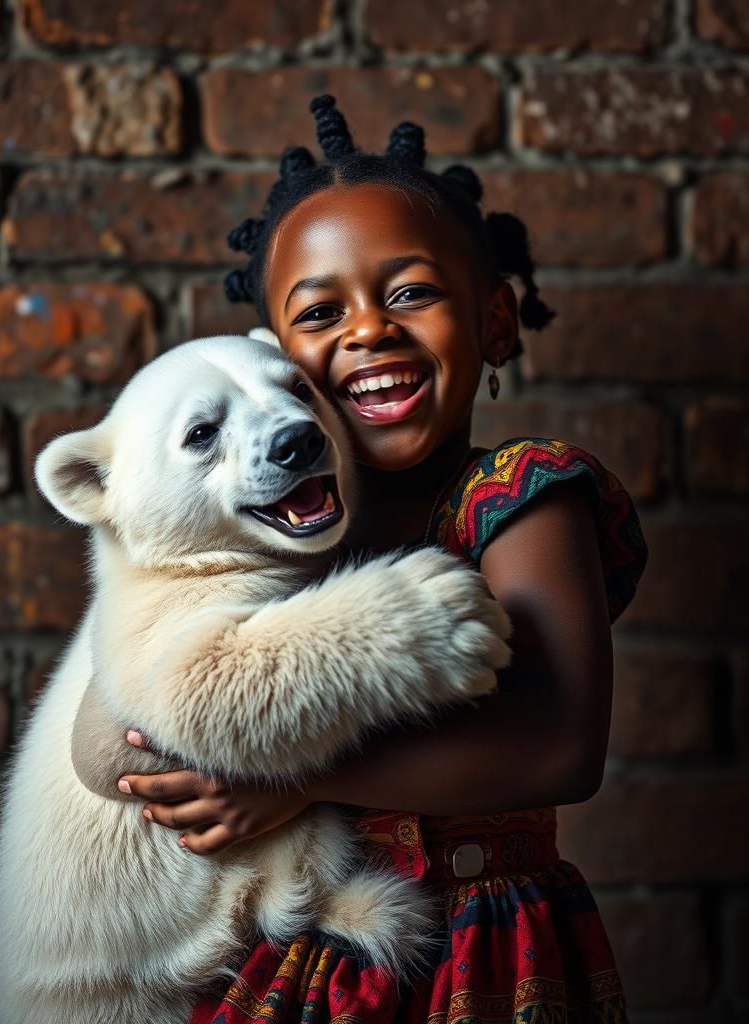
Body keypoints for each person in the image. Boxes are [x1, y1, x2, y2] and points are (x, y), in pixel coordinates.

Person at [114, 95, 647, 1022]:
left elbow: (560, 750)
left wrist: (289, 779)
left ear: (495, 323)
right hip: (298, 953)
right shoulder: (269, 539)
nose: (367, 330)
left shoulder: (520, 495)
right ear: (272, 363)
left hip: (479, 946)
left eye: (409, 293)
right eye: (321, 313)